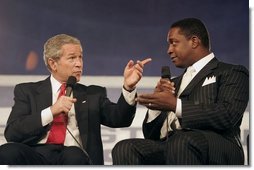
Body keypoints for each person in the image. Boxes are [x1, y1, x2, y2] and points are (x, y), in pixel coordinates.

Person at [112, 18, 249, 165]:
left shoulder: (231, 71)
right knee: (125, 148)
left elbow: (227, 114)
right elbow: (151, 136)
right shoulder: (173, 83)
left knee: (181, 141)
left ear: (194, 42)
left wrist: (175, 105)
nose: (169, 50)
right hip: (174, 146)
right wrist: (155, 108)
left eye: (174, 42)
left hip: (217, 147)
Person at [0, 34, 151, 165]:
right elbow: (13, 133)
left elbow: (120, 119)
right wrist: (51, 111)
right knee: (7, 151)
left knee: (74, 154)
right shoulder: (27, 91)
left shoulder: (92, 94)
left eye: (80, 57)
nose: (79, 63)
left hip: (75, 157)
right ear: (53, 63)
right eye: (72, 58)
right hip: (36, 156)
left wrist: (129, 87)